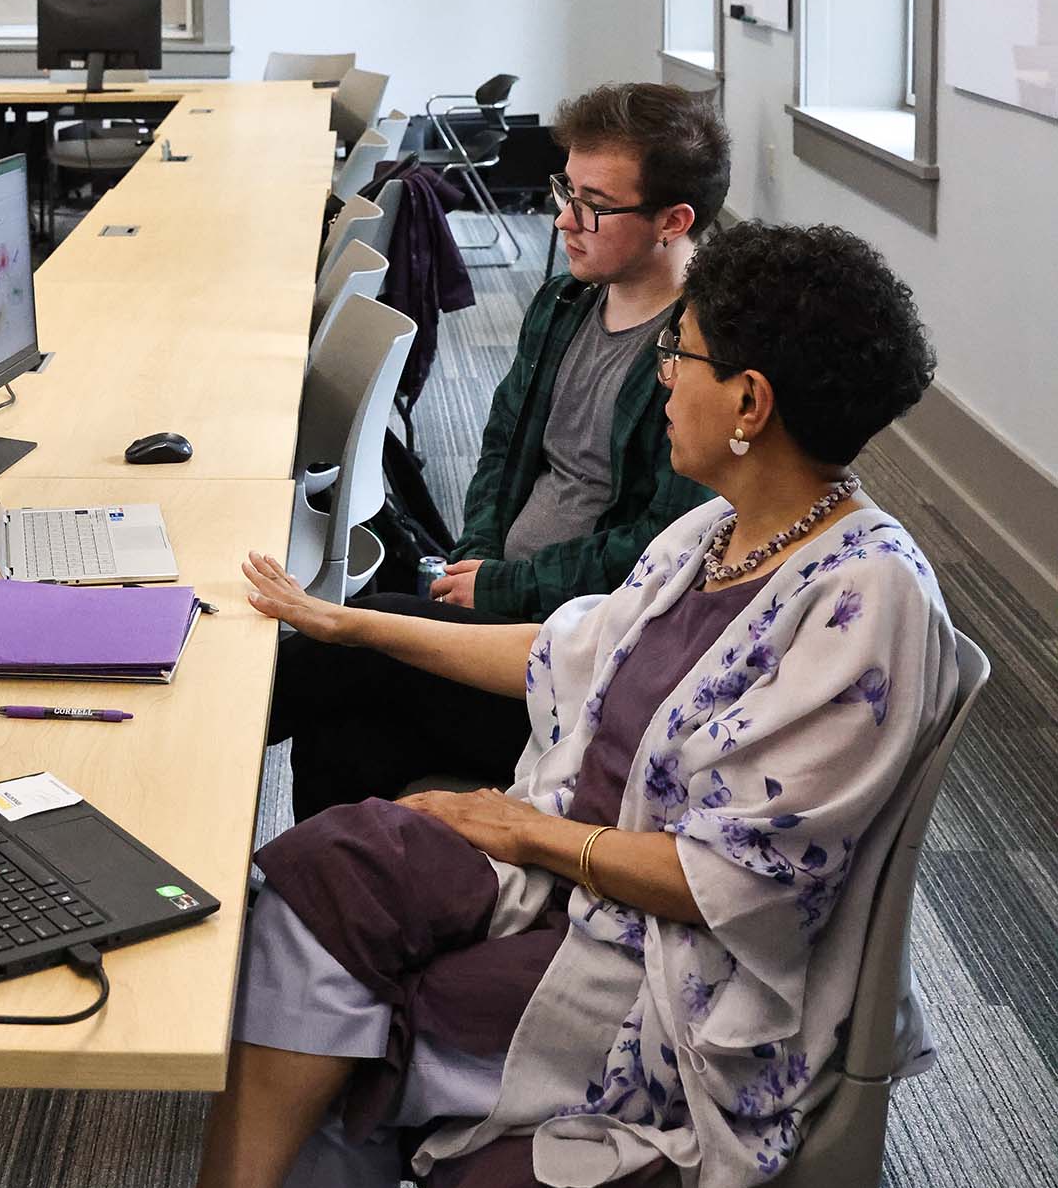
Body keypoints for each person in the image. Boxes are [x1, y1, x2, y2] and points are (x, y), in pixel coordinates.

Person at [141, 220, 954, 1188]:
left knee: (334, 1009)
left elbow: (742, 885)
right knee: (320, 870)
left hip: (686, 977)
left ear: (749, 403)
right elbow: (563, 651)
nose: (662, 375)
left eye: (684, 355)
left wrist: (527, 836)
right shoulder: (717, 532)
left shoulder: (868, 600)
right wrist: (352, 624)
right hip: (578, 885)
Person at [270, 83, 732, 819]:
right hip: (502, 608)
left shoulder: (702, 358)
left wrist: (500, 588)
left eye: (593, 205)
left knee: (357, 643)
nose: (565, 219)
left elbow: (656, 552)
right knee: (347, 731)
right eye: (565, 191)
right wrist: (476, 557)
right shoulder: (562, 304)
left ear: (672, 221)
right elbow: (499, 452)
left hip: (581, 672)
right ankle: (325, 910)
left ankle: (188, 720)